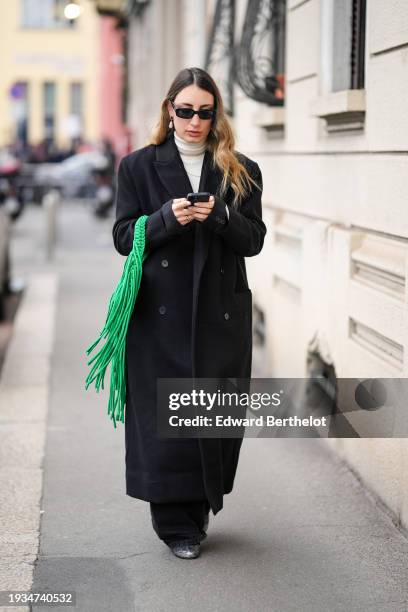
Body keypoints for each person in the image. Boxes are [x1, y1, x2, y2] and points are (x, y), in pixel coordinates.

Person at [112, 67, 266, 559]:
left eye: (205, 112)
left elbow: (255, 240)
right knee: (165, 420)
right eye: (185, 111)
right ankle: (175, 525)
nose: (195, 121)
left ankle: (197, 512)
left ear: (215, 115)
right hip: (159, 317)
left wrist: (221, 216)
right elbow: (121, 237)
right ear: (169, 112)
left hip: (220, 314)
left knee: (213, 417)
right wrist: (164, 220)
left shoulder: (241, 169)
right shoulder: (137, 167)